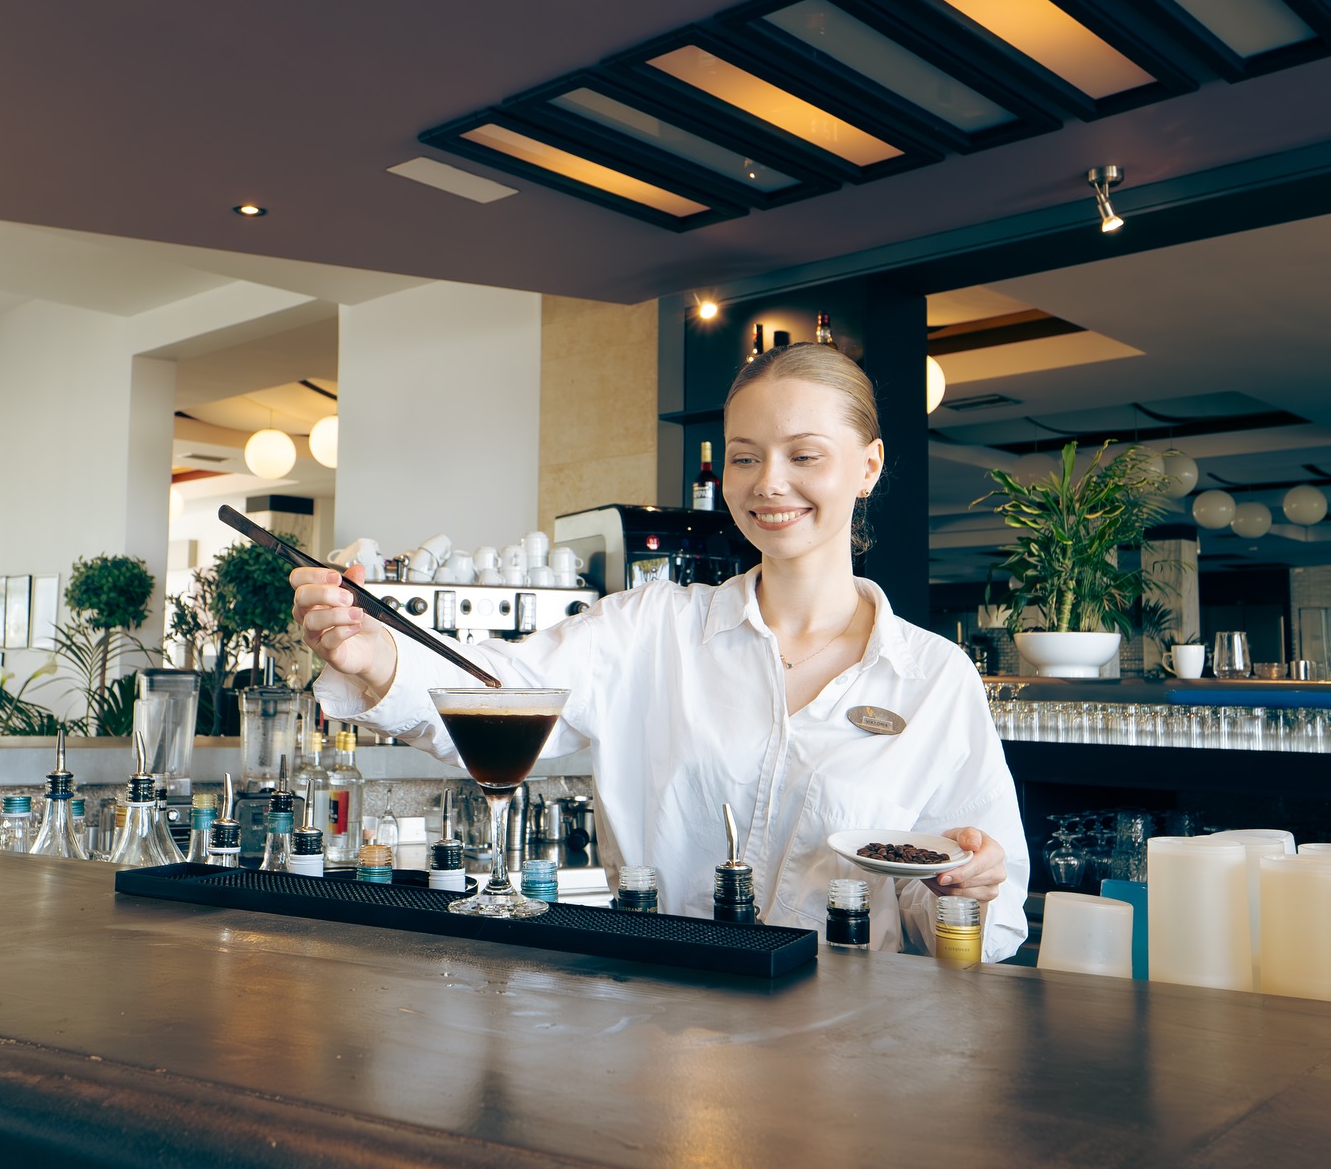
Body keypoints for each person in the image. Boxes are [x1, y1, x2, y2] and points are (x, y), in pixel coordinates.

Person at [294, 343, 1029, 959]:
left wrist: (969, 885)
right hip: (662, 1031)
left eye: (804, 455)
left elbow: (975, 933)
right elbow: (501, 688)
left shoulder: (933, 677)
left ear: (867, 467)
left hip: (845, 1054)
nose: (770, 483)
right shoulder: (653, 629)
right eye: (744, 459)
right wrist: (374, 653)